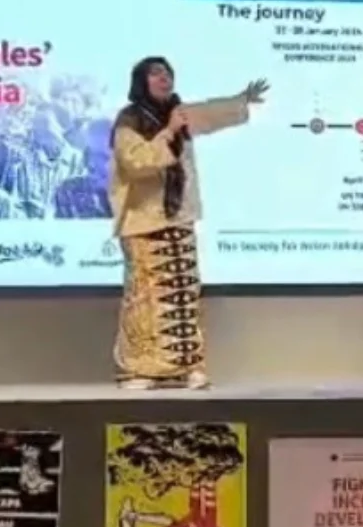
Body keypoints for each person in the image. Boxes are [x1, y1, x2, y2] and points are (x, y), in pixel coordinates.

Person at [110, 56, 268, 389]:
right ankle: (140, 369)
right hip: (144, 222)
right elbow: (136, 163)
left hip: (179, 217)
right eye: (155, 74)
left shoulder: (179, 113)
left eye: (167, 73)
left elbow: (210, 113)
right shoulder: (129, 121)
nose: (164, 78)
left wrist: (241, 100)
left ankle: (187, 366)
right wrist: (168, 132)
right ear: (141, 81)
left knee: (183, 294)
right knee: (145, 300)